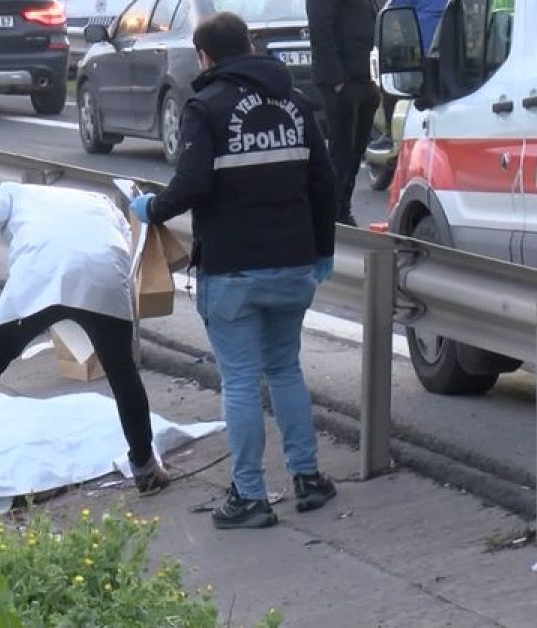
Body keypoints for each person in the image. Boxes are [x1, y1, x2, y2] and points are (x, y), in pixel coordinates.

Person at [129, 12, 339, 530]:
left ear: (205, 57)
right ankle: (307, 477)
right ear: (249, 45)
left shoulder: (206, 107)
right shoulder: (294, 102)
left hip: (234, 271)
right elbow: (324, 182)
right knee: (285, 369)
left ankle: (250, 496)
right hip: (293, 264)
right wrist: (322, 251)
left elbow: (192, 184)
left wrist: (151, 210)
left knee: (241, 381)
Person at [0, 182, 171, 496]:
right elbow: (124, 245)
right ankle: (145, 466)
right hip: (103, 272)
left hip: (38, 274)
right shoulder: (101, 203)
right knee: (123, 373)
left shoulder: (10, 194)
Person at [306, 0, 380, 226]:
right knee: (341, 153)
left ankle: (342, 207)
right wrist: (336, 79)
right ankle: (332, 213)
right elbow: (321, 30)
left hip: (366, 78)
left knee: (356, 152)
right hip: (342, 81)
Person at [368, 0, 446, 151]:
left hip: (422, 52)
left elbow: (390, 15)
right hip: (451, 49)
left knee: (392, 74)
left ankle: (391, 135)